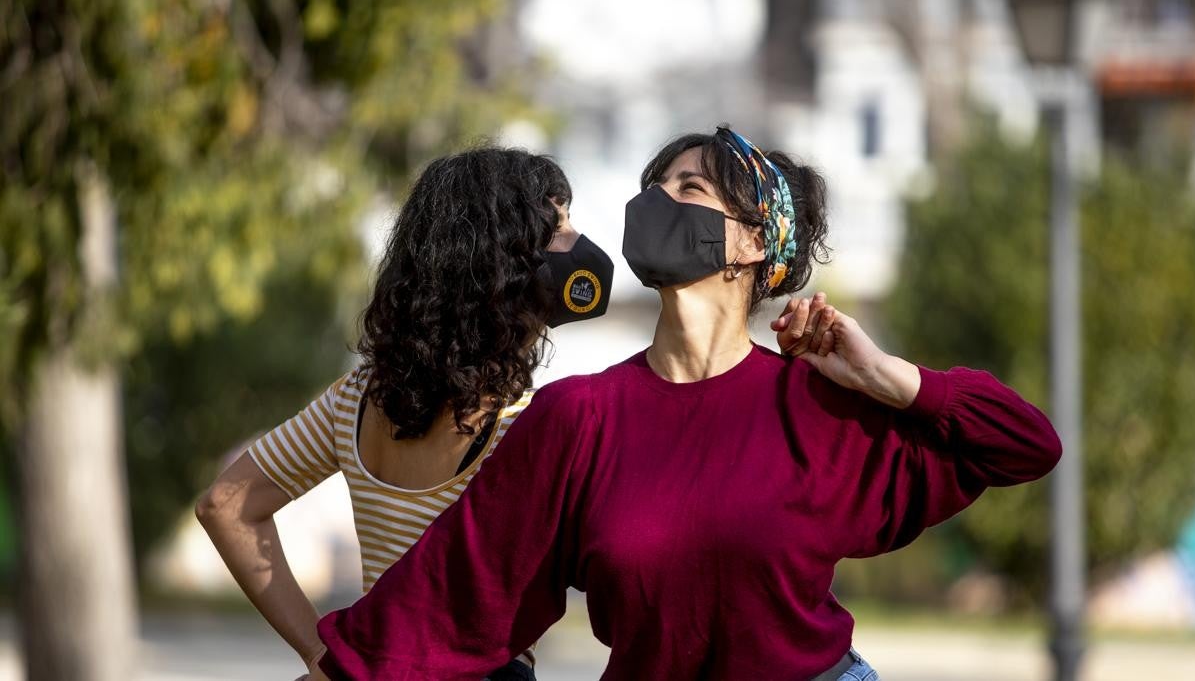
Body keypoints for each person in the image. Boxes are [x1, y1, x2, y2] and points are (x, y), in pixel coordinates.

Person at [311, 126, 1062, 681]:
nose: (657, 201)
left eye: (689, 189)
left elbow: (1025, 444)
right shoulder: (580, 419)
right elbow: (453, 593)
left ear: (751, 244)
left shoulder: (815, 407)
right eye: (656, 186)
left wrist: (883, 376)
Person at [195, 147, 614, 680]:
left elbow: (225, 504)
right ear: (503, 260)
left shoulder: (354, 399)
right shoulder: (525, 425)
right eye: (557, 228)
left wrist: (320, 657)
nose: (576, 245)